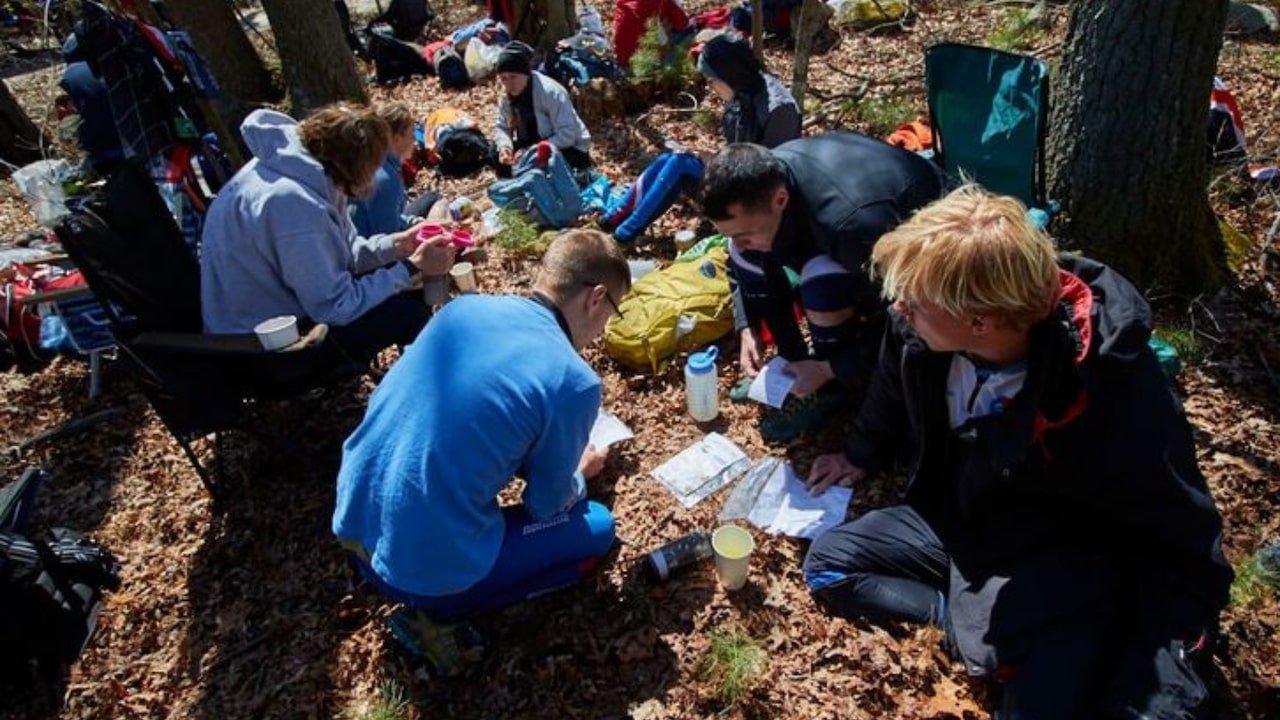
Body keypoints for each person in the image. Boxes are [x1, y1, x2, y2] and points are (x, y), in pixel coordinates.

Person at [802, 186, 1232, 719]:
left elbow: (1184, 545)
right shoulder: (922, 329)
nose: (898, 307)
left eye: (914, 302)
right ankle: (965, 620)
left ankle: (1010, 637)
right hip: (965, 522)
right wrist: (860, 453)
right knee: (828, 564)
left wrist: (1164, 689)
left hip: (1064, 569)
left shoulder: (1111, 391)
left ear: (979, 321)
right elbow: (892, 385)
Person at [332, 229, 629, 675]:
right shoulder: (574, 380)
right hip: (423, 570)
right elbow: (545, 504)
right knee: (597, 529)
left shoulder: (462, 309)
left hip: (356, 529)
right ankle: (442, 615)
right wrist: (580, 473)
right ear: (596, 298)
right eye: (613, 312)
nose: (605, 328)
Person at [699, 135, 943, 441]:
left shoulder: (854, 227)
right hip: (833, 230)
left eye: (743, 233)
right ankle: (793, 366)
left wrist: (832, 367)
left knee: (822, 281)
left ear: (780, 200)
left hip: (916, 245)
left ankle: (833, 387)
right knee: (745, 256)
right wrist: (747, 324)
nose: (737, 243)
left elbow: (914, 323)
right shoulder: (759, 180)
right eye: (728, 234)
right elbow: (739, 261)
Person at [200, 104, 455, 363]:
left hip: (286, 312)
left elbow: (345, 254)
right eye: (372, 169)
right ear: (351, 166)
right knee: (408, 309)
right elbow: (334, 306)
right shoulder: (294, 204)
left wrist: (398, 245)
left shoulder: (309, 170)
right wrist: (410, 269)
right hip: (263, 348)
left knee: (400, 288)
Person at [493, 41, 593, 174]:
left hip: (567, 147)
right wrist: (505, 147)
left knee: (538, 167)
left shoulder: (551, 92)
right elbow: (502, 127)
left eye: (513, 77)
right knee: (494, 156)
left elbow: (568, 135)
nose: (509, 84)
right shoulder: (506, 96)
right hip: (533, 142)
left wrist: (533, 152)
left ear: (526, 74)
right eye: (504, 78)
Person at [350, 102, 447, 237]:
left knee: (434, 198)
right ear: (396, 139)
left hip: (372, 243)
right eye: (411, 134)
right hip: (375, 251)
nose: (415, 140)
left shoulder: (372, 161)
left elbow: (392, 219)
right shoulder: (387, 180)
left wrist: (417, 223)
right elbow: (390, 239)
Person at [696, 34, 800, 148]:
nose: (709, 87)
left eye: (711, 81)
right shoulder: (739, 93)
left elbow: (775, 162)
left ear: (728, 75)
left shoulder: (778, 110)